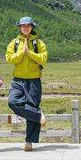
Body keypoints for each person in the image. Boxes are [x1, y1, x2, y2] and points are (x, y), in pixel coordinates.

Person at [6, 16, 48, 152]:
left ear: (32, 27)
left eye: (28, 26)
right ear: (19, 27)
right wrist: (21, 52)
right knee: (12, 101)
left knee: (32, 106)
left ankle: (29, 142)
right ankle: (37, 114)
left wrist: (29, 53)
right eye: (23, 26)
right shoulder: (14, 42)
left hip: (34, 79)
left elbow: (43, 58)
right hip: (18, 80)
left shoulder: (38, 43)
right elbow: (10, 59)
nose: (25, 28)